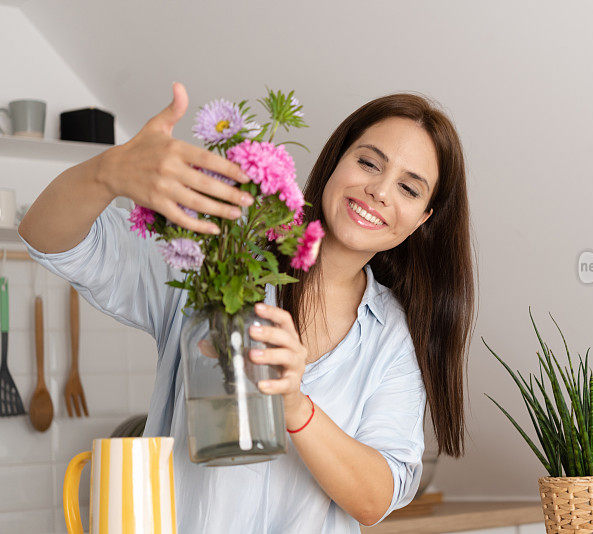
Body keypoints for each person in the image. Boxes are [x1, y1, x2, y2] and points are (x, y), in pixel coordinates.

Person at [18, 82, 475, 533]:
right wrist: (107, 173)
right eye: (368, 162)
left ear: (422, 219)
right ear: (336, 161)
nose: (379, 190)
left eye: (409, 189)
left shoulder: (393, 337)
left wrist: (296, 407)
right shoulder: (216, 261)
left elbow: (375, 499)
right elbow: (47, 238)